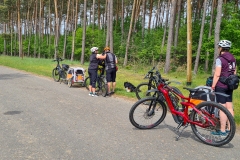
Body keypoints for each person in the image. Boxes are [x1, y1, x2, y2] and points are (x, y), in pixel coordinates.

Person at [211, 40, 237, 136]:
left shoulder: (220, 59)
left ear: (221, 48)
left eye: (219, 47)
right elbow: (234, 73)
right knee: (229, 107)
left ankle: (222, 130)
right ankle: (230, 128)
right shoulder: (233, 58)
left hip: (221, 85)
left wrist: (213, 85)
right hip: (230, 85)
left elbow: (217, 74)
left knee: (222, 107)